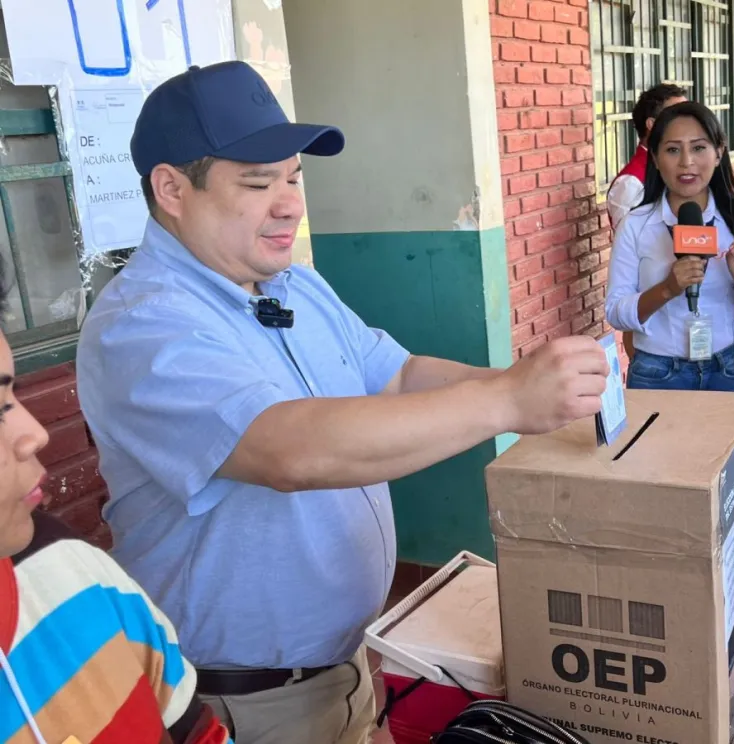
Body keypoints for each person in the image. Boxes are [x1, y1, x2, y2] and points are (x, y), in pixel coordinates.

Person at [73, 61, 608, 744]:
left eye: (294, 177)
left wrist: (521, 383)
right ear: (172, 189)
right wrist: (507, 402)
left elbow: (397, 374)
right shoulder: (143, 325)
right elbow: (287, 450)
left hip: (348, 668)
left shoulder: (291, 287)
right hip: (248, 704)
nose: (290, 203)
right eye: (259, 182)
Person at [0, 257, 232, 743]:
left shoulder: (66, 569)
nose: (33, 435)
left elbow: (196, 731)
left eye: (11, 397)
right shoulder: (139, 319)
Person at [604, 101, 734, 394]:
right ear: (657, 159)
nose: (687, 162)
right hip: (658, 374)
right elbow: (615, 311)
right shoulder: (635, 226)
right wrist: (667, 288)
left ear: (719, 152)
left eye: (698, 148)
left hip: (730, 370)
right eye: (673, 150)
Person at [606, 83, 688, 361]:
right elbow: (632, 264)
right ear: (652, 124)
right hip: (651, 311)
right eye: (676, 113)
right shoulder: (630, 184)